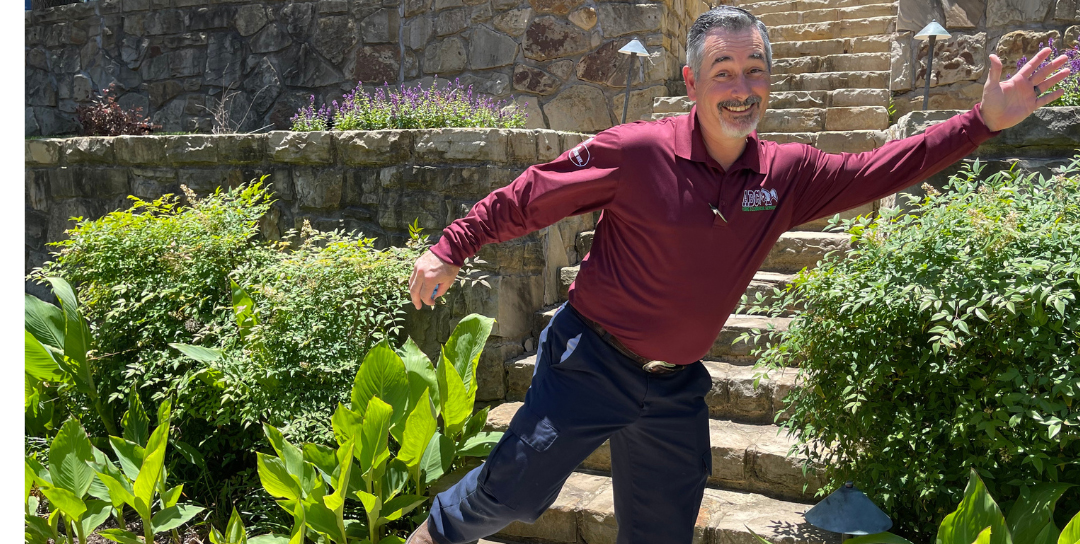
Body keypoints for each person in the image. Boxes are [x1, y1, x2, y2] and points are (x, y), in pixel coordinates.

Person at [404, 6, 1071, 544]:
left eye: (755, 70)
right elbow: (533, 192)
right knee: (512, 493)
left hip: (675, 390)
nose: (742, 87)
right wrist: (450, 247)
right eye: (723, 71)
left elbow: (882, 167)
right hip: (590, 363)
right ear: (692, 84)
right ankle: (432, 534)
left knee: (663, 532)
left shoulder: (783, 174)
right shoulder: (638, 152)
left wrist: (980, 122)